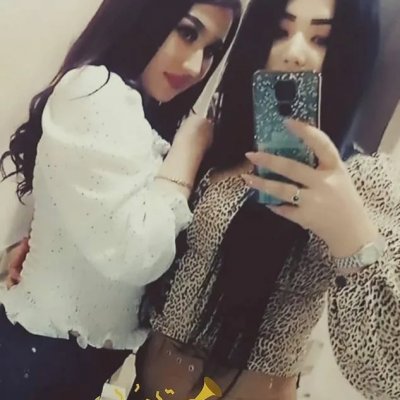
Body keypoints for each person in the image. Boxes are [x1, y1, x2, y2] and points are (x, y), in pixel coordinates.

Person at [131, 0, 400, 399]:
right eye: (280, 31)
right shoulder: (218, 145)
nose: (295, 53)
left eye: (321, 39)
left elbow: (389, 377)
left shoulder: (362, 181)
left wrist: (354, 239)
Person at [0, 0, 241, 399]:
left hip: (67, 360)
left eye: (211, 50)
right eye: (186, 32)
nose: (196, 65)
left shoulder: (141, 113)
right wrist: (188, 152)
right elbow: (137, 253)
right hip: (38, 355)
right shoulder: (95, 89)